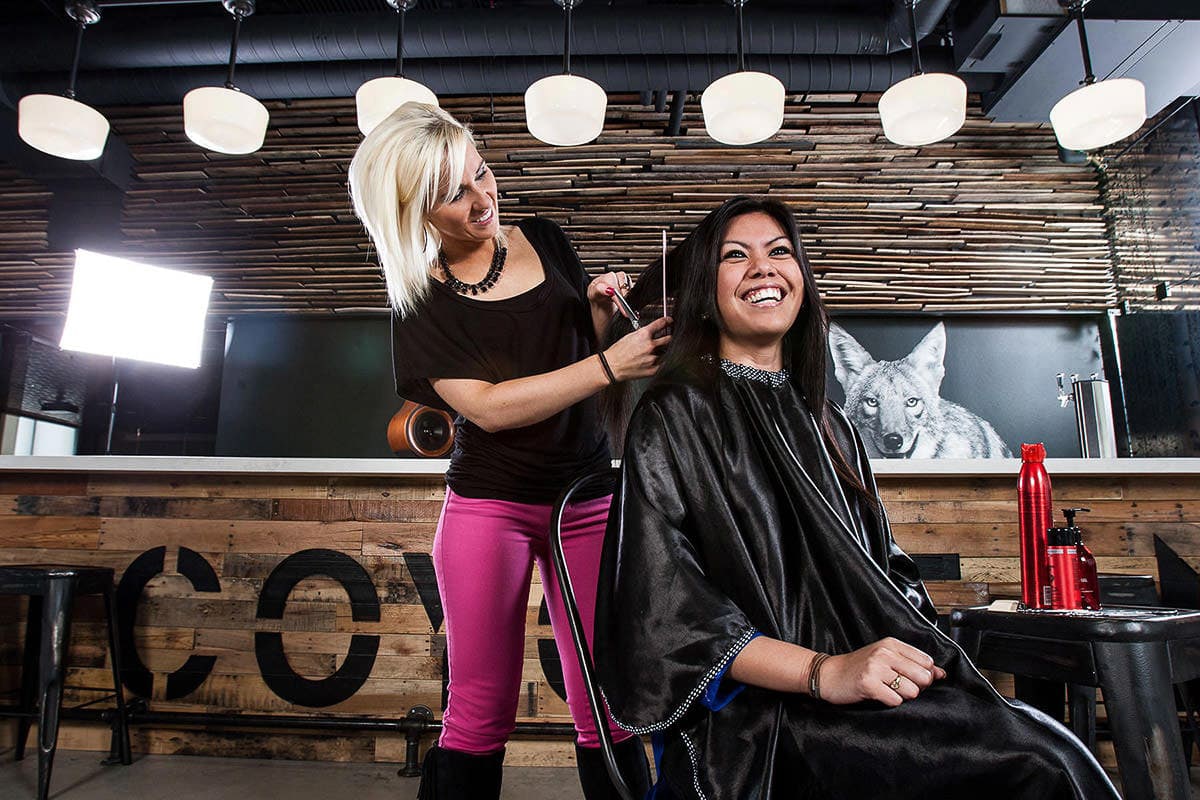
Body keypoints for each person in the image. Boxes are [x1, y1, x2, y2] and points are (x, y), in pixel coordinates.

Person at [594, 196, 1120, 800]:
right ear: (704, 293)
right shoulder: (674, 415)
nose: (763, 267)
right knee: (1036, 768)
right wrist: (824, 671)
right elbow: (668, 609)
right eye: (734, 256)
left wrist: (911, 654)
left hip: (864, 683)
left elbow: (884, 568)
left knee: (1051, 748)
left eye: (780, 251)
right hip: (759, 718)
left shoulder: (831, 424)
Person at [348, 102, 664, 800]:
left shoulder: (545, 238)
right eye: (454, 194)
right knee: (479, 711)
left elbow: (574, 355)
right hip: (490, 506)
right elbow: (489, 408)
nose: (483, 198)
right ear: (414, 213)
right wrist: (610, 365)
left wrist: (600, 312)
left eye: (482, 173)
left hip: (585, 495)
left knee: (606, 703)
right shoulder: (420, 303)